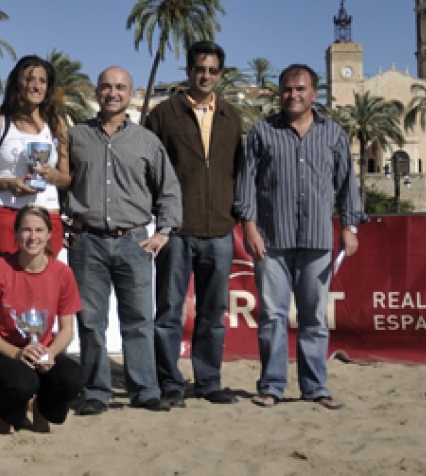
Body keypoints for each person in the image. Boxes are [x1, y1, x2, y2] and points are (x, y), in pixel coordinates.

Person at [236, 64, 366, 410]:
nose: (293, 95)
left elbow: (346, 185)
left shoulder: (333, 134)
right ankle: (272, 386)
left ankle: (314, 387)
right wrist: (248, 225)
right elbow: (246, 183)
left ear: (314, 93)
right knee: (272, 317)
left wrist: (350, 227)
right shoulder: (262, 132)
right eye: (287, 89)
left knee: (314, 318)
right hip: (271, 241)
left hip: (317, 240)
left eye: (300, 89)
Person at [66, 66, 182, 415]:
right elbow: (59, 182)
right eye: (106, 87)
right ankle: (96, 392)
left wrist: (164, 231)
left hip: (134, 241)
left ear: (130, 94)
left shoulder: (147, 141)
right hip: (88, 242)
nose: (112, 93)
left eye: (120, 87)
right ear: (97, 92)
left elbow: (169, 191)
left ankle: (144, 390)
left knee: (138, 321)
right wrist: (62, 221)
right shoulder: (75, 137)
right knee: (91, 322)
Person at [144, 41, 243, 406]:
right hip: (175, 231)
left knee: (213, 315)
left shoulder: (232, 117)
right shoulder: (163, 115)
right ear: (188, 71)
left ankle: (208, 382)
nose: (205, 75)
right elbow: (149, 170)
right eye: (199, 68)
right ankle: (170, 382)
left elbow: (238, 171)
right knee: (168, 312)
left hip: (219, 230)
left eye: (212, 70)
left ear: (220, 74)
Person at [0, 205, 84, 432]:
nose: (33, 237)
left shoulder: (62, 273)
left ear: (49, 234)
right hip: (5, 351)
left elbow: (67, 329)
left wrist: (49, 354)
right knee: (22, 381)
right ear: (16, 234)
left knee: (73, 377)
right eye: (26, 230)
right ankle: (5, 414)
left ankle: (41, 408)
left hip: (43, 349)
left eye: (39, 230)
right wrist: (16, 353)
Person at [0, 56, 70, 261]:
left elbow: (66, 180)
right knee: (4, 288)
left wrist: (53, 175)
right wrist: (7, 184)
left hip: (47, 217)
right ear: (17, 82)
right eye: (29, 79)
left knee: (42, 291)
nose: (36, 86)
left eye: (42, 81)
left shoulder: (56, 124)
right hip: (6, 216)